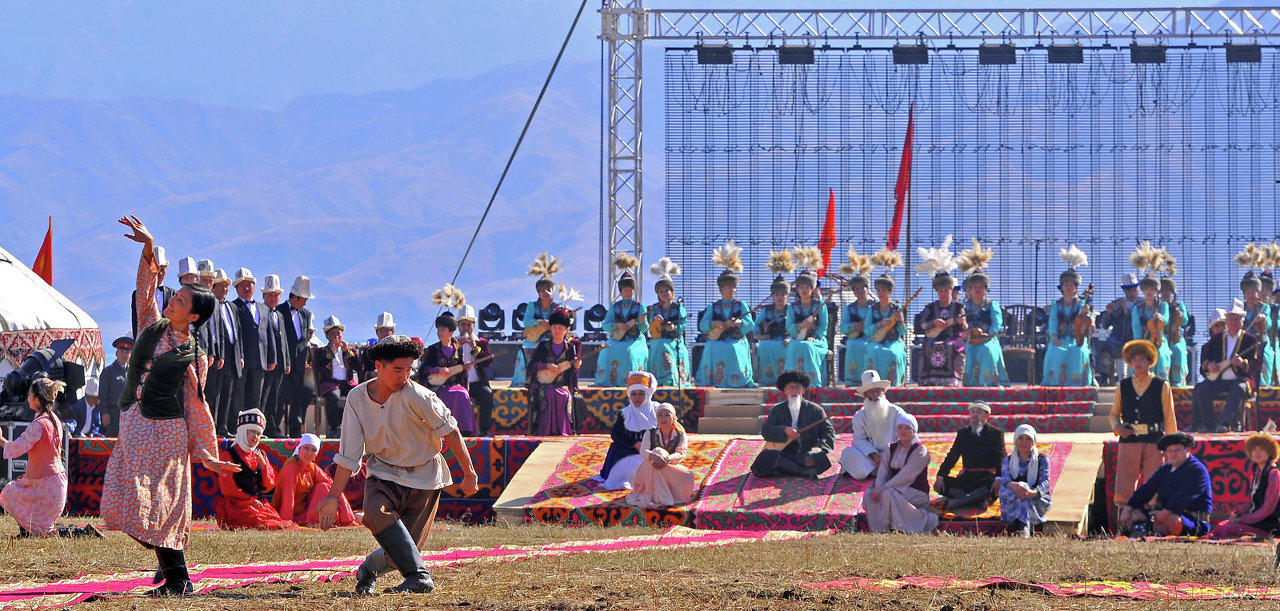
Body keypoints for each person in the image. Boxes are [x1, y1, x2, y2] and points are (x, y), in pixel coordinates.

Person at [101, 215, 240, 597]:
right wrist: (149, 248)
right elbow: (146, 288)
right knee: (128, 499)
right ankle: (171, 572)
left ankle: (178, 578)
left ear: (193, 316)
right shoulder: (151, 325)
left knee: (156, 501)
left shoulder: (196, 355)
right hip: (134, 423)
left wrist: (208, 454)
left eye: (179, 301)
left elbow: (197, 407)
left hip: (164, 432)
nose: (171, 301)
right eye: (174, 296)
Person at [317, 334, 479, 596]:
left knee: (401, 555)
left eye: (409, 369)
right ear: (378, 366)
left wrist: (469, 472)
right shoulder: (357, 399)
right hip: (384, 472)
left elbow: (451, 431)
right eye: (397, 369)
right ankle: (420, 578)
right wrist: (333, 496)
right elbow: (349, 454)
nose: (404, 376)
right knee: (374, 513)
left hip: (425, 477)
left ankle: (367, 570)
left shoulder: (420, 397)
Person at [0, 378, 100, 538]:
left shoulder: (39, 424)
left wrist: (1, 439)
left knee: (10, 492)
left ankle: (83, 532)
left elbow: (17, 448)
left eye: (30, 394)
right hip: (55, 485)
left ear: (37, 399)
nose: (28, 398)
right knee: (17, 494)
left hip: (46, 487)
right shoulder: (54, 420)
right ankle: (30, 532)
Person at [1110, 339, 1178, 510]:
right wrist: (1118, 428)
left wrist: (1172, 446)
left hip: (1154, 440)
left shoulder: (1162, 385)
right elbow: (1113, 415)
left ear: (1150, 361)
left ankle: (1152, 524)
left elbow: (1169, 417)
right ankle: (1125, 522)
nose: (1138, 363)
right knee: (1124, 486)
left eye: (1142, 358)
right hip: (1129, 440)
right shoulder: (1123, 386)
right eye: (1134, 359)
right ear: (1130, 362)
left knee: (1154, 484)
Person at [213, 409, 294, 530]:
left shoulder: (260, 454)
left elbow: (269, 485)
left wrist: (264, 466)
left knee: (275, 521)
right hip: (236, 505)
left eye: (258, 433)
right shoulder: (229, 455)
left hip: (257, 503)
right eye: (252, 431)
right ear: (242, 431)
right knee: (258, 522)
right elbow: (227, 488)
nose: (255, 436)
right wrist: (250, 500)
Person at [1120, 432, 1212, 537]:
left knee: (1172, 521)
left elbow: (1184, 497)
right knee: (1133, 514)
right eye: (1169, 451)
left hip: (1192, 520)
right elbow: (1147, 488)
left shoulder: (1197, 470)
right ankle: (1148, 529)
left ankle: (1149, 530)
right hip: (1162, 514)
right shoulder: (1165, 469)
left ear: (1187, 449)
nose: (1173, 454)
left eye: (1177, 450)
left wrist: (1164, 514)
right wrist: (1128, 508)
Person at [1192, 299, 1262, 433]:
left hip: (1241, 380)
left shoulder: (1250, 339)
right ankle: (1209, 425)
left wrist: (1242, 363)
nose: (1234, 322)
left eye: (1237, 319)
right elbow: (1205, 360)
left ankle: (1225, 424)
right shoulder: (1217, 339)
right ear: (1227, 320)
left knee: (1238, 388)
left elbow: (1256, 364)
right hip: (1220, 380)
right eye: (1231, 319)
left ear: (1243, 321)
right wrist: (1209, 365)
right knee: (1202, 389)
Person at [863, 412, 938, 534]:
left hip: (915, 490)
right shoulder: (891, 448)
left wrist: (884, 488)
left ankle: (923, 521)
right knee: (869, 494)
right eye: (900, 427)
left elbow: (906, 476)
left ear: (913, 431)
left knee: (888, 494)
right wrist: (878, 488)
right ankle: (878, 530)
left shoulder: (920, 450)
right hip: (893, 488)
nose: (903, 431)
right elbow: (883, 471)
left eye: (907, 428)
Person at [752, 371, 835, 479]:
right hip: (784, 452)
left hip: (807, 451)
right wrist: (784, 430)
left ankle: (783, 468)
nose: (794, 391)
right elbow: (766, 431)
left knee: (819, 459)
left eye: (797, 387)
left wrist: (819, 447)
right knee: (765, 457)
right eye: (790, 387)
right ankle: (803, 472)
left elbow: (828, 432)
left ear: (803, 390)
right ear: (785, 390)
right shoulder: (777, 410)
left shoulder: (815, 409)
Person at [934, 402, 1007, 510]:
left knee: (1000, 484)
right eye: (972, 412)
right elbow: (952, 456)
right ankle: (978, 499)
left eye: (978, 412)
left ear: (987, 415)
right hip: (967, 477)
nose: (975, 415)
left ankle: (962, 500)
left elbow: (1001, 457)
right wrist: (941, 476)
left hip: (987, 478)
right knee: (941, 484)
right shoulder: (963, 433)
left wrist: (999, 478)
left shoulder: (996, 434)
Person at [273, 433, 357, 527]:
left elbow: (331, 485)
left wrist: (348, 515)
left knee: (325, 486)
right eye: (306, 448)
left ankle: (345, 519)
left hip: (305, 510)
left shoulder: (311, 467)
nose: (309, 453)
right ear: (299, 448)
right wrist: (287, 523)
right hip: (292, 514)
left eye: (313, 450)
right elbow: (288, 498)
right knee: (323, 487)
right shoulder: (291, 467)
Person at [231, 267, 279, 429]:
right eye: (243, 285)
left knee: (256, 397)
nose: (247, 288)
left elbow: (270, 334)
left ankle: (255, 428)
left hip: (261, 360)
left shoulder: (263, 308)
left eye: (250, 285)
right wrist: (239, 357)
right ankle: (237, 428)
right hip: (243, 360)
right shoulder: (233, 307)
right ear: (237, 288)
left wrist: (272, 357)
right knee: (239, 395)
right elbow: (235, 335)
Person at [839, 369, 908, 479]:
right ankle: (880, 471)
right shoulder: (859, 416)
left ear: (883, 392)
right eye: (871, 392)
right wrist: (873, 455)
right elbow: (858, 439)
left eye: (878, 391)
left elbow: (908, 434)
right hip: (871, 459)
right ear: (865, 395)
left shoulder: (896, 412)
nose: (876, 395)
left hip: (894, 455)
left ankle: (885, 470)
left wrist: (889, 454)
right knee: (848, 453)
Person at [1211, 433, 1280, 539]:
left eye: (1261, 449)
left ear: (1270, 452)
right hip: (1255, 520)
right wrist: (1238, 514)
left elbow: (1268, 508)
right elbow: (1253, 504)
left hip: (1269, 523)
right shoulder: (1257, 473)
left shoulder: (1273, 474)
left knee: (1227, 530)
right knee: (1220, 527)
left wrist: (1244, 519)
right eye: (1254, 449)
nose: (1257, 453)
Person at [418, 312, 478, 436]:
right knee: (456, 394)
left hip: (455, 385)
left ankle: (464, 430)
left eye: (443, 330)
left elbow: (461, 370)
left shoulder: (457, 350)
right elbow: (423, 370)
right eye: (439, 330)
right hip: (437, 387)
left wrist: (465, 369)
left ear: (451, 332)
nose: (440, 333)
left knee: (463, 393)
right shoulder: (432, 349)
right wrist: (437, 370)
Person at [627, 403, 696, 507]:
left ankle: (660, 495)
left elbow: (681, 453)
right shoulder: (650, 433)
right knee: (658, 451)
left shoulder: (681, 435)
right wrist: (654, 456)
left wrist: (667, 459)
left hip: (670, 466)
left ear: (674, 417)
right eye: (660, 415)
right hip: (649, 467)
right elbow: (643, 451)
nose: (663, 418)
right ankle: (661, 497)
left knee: (688, 475)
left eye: (667, 415)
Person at [696, 268, 756, 388]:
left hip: (736, 340)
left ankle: (738, 381)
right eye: (728, 286)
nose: (731, 289)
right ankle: (711, 381)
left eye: (733, 287)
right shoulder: (713, 306)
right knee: (710, 346)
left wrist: (739, 322)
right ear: (721, 288)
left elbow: (750, 324)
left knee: (733, 348)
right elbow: (703, 325)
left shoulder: (741, 305)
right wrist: (714, 324)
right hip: (717, 340)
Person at [597, 371, 657, 491]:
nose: (637, 398)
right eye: (633, 394)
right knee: (625, 466)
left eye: (641, 394)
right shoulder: (625, 413)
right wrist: (634, 443)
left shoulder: (657, 411)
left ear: (648, 394)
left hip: (651, 450)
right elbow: (616, 433)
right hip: (628, 450)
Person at [527, 307, 581, 436]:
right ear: (550, 328)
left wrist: (576, 367)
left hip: (563, 385)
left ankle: (563, 430)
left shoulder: (570, 348)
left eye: (561, 328)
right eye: (554, 327)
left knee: (563, 395)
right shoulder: (543, 346)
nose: (557, 331)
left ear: (567, 330)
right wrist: (546, 366)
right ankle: (546, 429)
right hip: (543, 384)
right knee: (551, 392)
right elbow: (531, 366)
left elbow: (572, 373)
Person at [993, 424, 1053, 537]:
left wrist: (1033, 492)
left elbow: (1045, 481)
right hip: (1015, 493)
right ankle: (1019, 524)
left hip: (1035, 496)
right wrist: (1016, 486)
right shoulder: (1009, 460)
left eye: (1028, 439)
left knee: (1025, 497)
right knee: (1011, 491)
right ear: (1016, 440)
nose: (1024, 442)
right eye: (1021, 438)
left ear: (1033, 441)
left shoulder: (1042, 459)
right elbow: (1005, 479)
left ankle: (1023, 527)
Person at [1043, 260, 1094, 386]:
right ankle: (1054, 383)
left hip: (1076, 339)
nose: (1068, 287)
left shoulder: (1081, 304)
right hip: (1060, 338)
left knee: (1079, 352)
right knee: (1054, 350)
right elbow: (1052, 323)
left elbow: (1088, 324)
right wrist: (1054, 338)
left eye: (1071, 285)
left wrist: (1087, 313)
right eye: (1066, 285)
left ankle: (1078, 383)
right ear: (1062, 287)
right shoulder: (1056, 305)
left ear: (1076, 287)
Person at [596, 267, 648, 387]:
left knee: (629, 352)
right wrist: (617, 325)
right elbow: (605, 325)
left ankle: (632, 382)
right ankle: (606, 382)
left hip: (635, 340)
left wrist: (644, 322)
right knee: (606, 350)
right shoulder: (615, 306)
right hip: (617, 338)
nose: (628, 293)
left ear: (634, 291)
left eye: (630, 290)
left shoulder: (640, 306)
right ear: (620, 291)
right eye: (625, 290)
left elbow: (644, 329)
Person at [278, 276, 316, 438]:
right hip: (283, 363)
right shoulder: (279, 311)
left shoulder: (306, 314)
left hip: (300, 363)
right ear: (296, 297)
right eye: (304, 299)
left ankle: (295, 430)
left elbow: (305, 340)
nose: (305, 303)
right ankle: (275, 428)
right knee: (279, 396)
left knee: (297, 397)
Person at [207, 268, 243, 437]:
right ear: (213, 287)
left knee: (228, 392)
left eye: (227, 286)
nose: (225, 289)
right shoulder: (211, 304)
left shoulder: (232, 307)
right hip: (219, 354)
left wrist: (240, 355)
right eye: (221, 286)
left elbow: (238, 333)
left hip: (232, 356)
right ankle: (212, 426)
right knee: (215, 393)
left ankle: (223, 426)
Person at [914, 271, 967, 386]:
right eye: (940, 291)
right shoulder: (931, 308)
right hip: (933, 337)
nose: (943, 293)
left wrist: (960, 322)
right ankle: (929, 381)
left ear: (951, 290)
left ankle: (953, 380)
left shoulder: (959, 307)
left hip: (953, 337)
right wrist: (934, 322)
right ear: (937, 291)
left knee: (950, 346)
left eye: (946, 290)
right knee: (928, 345)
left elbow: (965, 327)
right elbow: (922, 324)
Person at [312, 316, 361, 438]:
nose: (336, 337)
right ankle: (335, 428)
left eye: (338, 334)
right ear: (327, 336)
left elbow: (359, 367)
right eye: (333, 334)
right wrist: (331, 353)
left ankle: (354, 428)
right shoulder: (321, 351)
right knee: (333, 397)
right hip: (330, 384)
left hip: (347, 383)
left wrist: (346, 352)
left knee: (359, 394)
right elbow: (319, 368)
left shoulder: (349, 351)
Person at [646, 260, 691, 386]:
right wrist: (655, 321)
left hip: (674, 341)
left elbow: (683, 324)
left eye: (667, 290)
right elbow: (650, 328)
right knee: (660, 344)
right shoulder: (653, 309)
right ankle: (658, 380)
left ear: (672, 293)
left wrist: (674, 328)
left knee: (664, 345)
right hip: (659, 340)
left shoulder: (678, 308)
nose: (664, 293)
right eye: (661, 291)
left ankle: (672, 380)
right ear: (658, 294)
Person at [962, 269, 1009, 386]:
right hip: (968, 339)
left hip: (988, 338)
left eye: (981, 287)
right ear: (970, 289)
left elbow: (997, 323)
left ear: (986, 289)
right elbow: (959, 323)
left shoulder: (992, 305)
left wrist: (988, 333)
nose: (977, 289)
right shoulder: (963, 306)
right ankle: (965, 385)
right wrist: (964, 332)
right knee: (962, 350)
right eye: (975, 287)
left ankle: (986, 385)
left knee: (986, 350)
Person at [512, 271, 560, 387]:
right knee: (524, 348)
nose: (545, 292)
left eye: (548, 290)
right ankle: (522, 381)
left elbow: (564, 322)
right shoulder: (532, 305)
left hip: (551, 338)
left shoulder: (558, 307)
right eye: (542, 290)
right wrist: (539, 322)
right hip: (534, 339)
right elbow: (526, 321)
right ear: (538, 293)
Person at [785, 269, 829, 387]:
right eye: (801, 287)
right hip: (797, 337)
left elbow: (823, 327)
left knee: (807, 346)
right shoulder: (792, 307)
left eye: (807, 287)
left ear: (812, 289)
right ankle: (791, 381)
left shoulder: (820, 305)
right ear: (798, 289)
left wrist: (814, 337)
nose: (804, 290)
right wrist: (800, 326)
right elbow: (789, 327)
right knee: (794, 345)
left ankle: (812, 382)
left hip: (817, 340)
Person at [456, 306, 496, 436]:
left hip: (477, 383)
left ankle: (484, 430)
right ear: (458, 326)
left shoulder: (482, 342)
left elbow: (487, 362)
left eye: (469, 324)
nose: (466, 328)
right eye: (463, 324)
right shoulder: (453, 342)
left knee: (487, 394)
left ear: (474, 326)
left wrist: (475, 348)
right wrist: (458, 348)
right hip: (458, 382)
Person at [1095, 274, 1140, 386]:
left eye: (1134, 289)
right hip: (1118, 340)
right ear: (1124, 291)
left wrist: (1127, 312)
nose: (1132, 293)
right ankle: (1104, 378)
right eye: (1129, 290)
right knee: (1106, 347)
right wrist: (1108, 314)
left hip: (1136, 339)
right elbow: (1104, 325)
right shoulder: (1117, 304)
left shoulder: (1142, 304)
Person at [259, 274, 289, 438]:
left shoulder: (280, 315)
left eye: (276, 295)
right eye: (270, 295)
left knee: (277, 399)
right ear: (264, 296)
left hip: (280, 364)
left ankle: (274, 427)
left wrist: (286, 361)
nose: (273, 298)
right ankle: (263, 427)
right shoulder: (261, 313)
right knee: (265, 398)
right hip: (267, 362)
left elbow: (283, 340)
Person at [866, 274, 908, 385]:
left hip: (894, 341)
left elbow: (903, 331)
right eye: (878, 290)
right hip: (876, 340)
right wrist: (879, 324)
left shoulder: (897, 308)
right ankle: (874, 386)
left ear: (890, 291)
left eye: (883, 290)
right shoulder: (872, 309)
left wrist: (901, 322)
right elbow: (867, 329)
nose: (880, 293)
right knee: (873, 352)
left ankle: (893, 385)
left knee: (893, 353)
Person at [1129, 274, 1173, 379]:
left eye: (1152, 289)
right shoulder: (1137, 309)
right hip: (1143, 340)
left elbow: (1166, 319)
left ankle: (1162, 384)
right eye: (1146, 289)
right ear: (1143, 291)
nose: (1149, 292)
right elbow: (1136, 328)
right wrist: (1140, 344)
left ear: (1156, 291)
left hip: (1159, 340)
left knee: (1161, 356)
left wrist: (1160, 317)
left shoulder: (1162, 305)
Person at [754, 275, 791, 388]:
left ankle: (787, 380)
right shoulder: (766, 309)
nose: (780, 298)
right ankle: (767, 380)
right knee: (764, 345)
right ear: (773, 296)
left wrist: (790, 338)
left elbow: (796, 326)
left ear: (787, 296)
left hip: (786, 340)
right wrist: (760, 336)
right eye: (777, 295)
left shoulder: (791, 309)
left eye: (782, 295)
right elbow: (756, 325)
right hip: (769, 339)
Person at [129, 245, 173, 337]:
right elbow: (135, 321)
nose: (160, 273)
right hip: (146, 342)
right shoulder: (138, 294)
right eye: (156, 270)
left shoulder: (173, 294)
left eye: (163, 269)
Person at [1242, 272, 1275, 387]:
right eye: (1248, 292)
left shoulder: (1264, 307)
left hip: (1261, 343)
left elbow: (1269, 324)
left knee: (1266, 356)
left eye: (1253, 291)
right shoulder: (1241, 307)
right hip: (1244, 344)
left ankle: (1263, 387)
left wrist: (1263, 319)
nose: (1251, 295)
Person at [840, 273, 874, 386]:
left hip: (873, 338)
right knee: (852, 345)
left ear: (868, 289)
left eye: (862, 287)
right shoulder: (849, 308)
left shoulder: (875, 306)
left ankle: (872, 381)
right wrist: (855, 327)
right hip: (856, 338)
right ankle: (853, 382)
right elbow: (843, 327)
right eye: (856, 288)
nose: (859, 291)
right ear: (853, 292)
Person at [97, 336, 132, 438]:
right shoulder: (108, 372)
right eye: (121, 352)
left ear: (130, 355)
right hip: (113, 415)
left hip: (129, 416)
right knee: (113, 445)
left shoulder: (133, 373)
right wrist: (104, 413)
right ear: (116, 354)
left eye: (127, 353)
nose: (124, 355)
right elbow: (103, 395)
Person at [1160, 277, 1190, 386]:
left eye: (1167, 290)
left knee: (1179, 350)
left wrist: (1180, 316)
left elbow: (1185, 321)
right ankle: (1162, 381)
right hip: (1161, 338)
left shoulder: (1178, 306)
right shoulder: (1157, 307)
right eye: (1162, 291)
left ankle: (1178, 382)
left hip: (1176, 338)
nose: (1165, 293)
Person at [360, 312, 398, 381]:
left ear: (392, 332)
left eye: (386, 330)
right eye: (381, 330)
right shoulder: (368, 351)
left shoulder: (399, 351)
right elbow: (361, 373)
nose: (383, 334)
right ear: (376, 333)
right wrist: (372, 374)